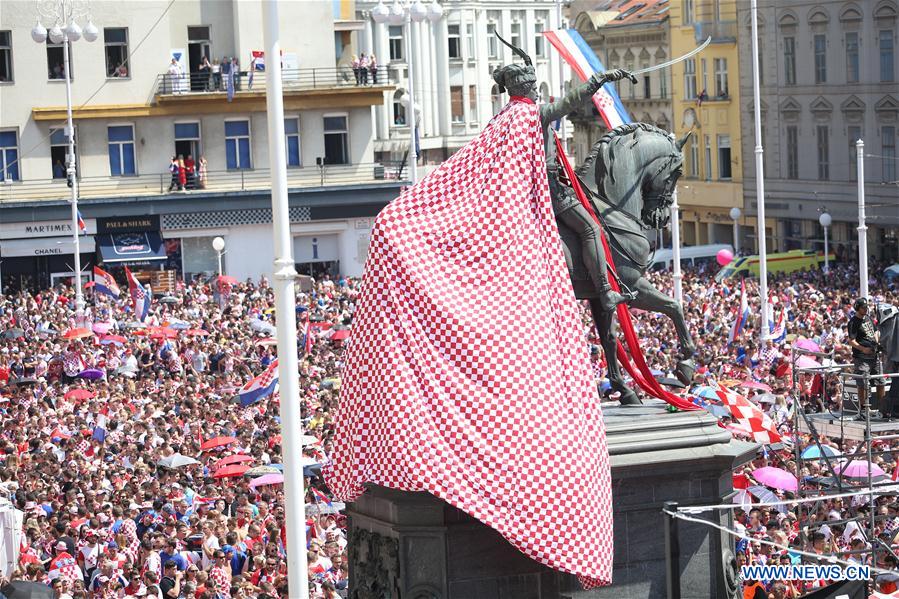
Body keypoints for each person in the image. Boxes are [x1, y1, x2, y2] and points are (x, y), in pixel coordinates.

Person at [491, 34, 637, 312]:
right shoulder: (534, 113)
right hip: (546, 188)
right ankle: (605, 292)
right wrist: (600, 79)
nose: (537, 93)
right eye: (534, 88)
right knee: (591, 229)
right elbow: (571, 101)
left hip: (516, 190)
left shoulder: (502, 116)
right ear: (526, 88)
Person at [847, 297, 882, 418]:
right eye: (863, 307)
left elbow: (876, 330)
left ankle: (881, 408)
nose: (866, 309)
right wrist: (863, 349)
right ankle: (863, 409)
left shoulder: (868, 318)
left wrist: (877, 339)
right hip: (862, 357)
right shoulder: (853, 322)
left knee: (880, 381)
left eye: (867, 307)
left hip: (874, 355)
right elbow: (851, 341)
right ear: (857, 308)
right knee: (863, 383)